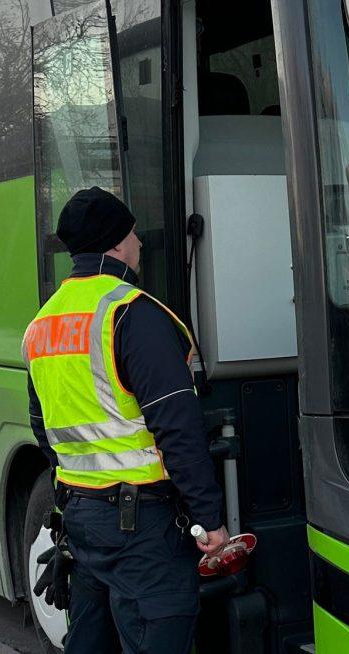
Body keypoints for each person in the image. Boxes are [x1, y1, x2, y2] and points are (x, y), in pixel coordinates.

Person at [23, 187, 229, 653]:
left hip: (83, 520)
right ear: (116, 243)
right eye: (134, 233)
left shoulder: (43, 323)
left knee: (91, 642)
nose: (139, 243)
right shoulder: (131, 313)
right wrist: (209, 520)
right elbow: (177, 426)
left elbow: (43, 427)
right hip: (143, 528)